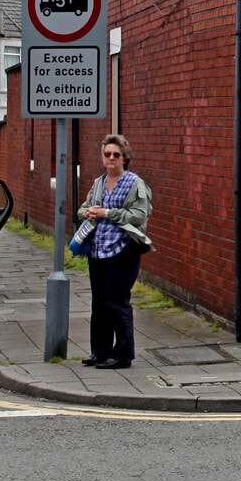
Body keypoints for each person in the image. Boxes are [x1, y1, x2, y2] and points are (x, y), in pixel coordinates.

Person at [77, 133, 153, 370]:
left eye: (116, 155)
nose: (111, 158)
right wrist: (88, 212)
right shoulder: (99, 182)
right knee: (99, 303)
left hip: (123, 251)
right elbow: (82, 209)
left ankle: (123, 355)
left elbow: (141, 216)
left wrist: (108, 213)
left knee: (117, 302)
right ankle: (99, 352)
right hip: (98, 251)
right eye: (107, 154)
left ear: (124, 158)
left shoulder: (134, 184)